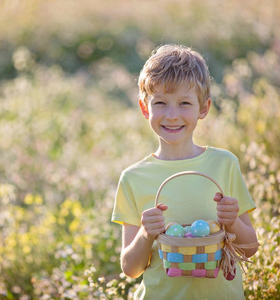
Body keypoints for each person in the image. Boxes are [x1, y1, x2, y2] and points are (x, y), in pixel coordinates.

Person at [111, 44, 259, 299]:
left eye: (184, 103)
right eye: (160, 103)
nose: (171, 115)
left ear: (204, 108)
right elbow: (130, 268)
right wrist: (146, 234)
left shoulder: (224, 164)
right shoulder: (134, 178)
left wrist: (232, 220)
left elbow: (249, 248)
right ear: (145, 108)